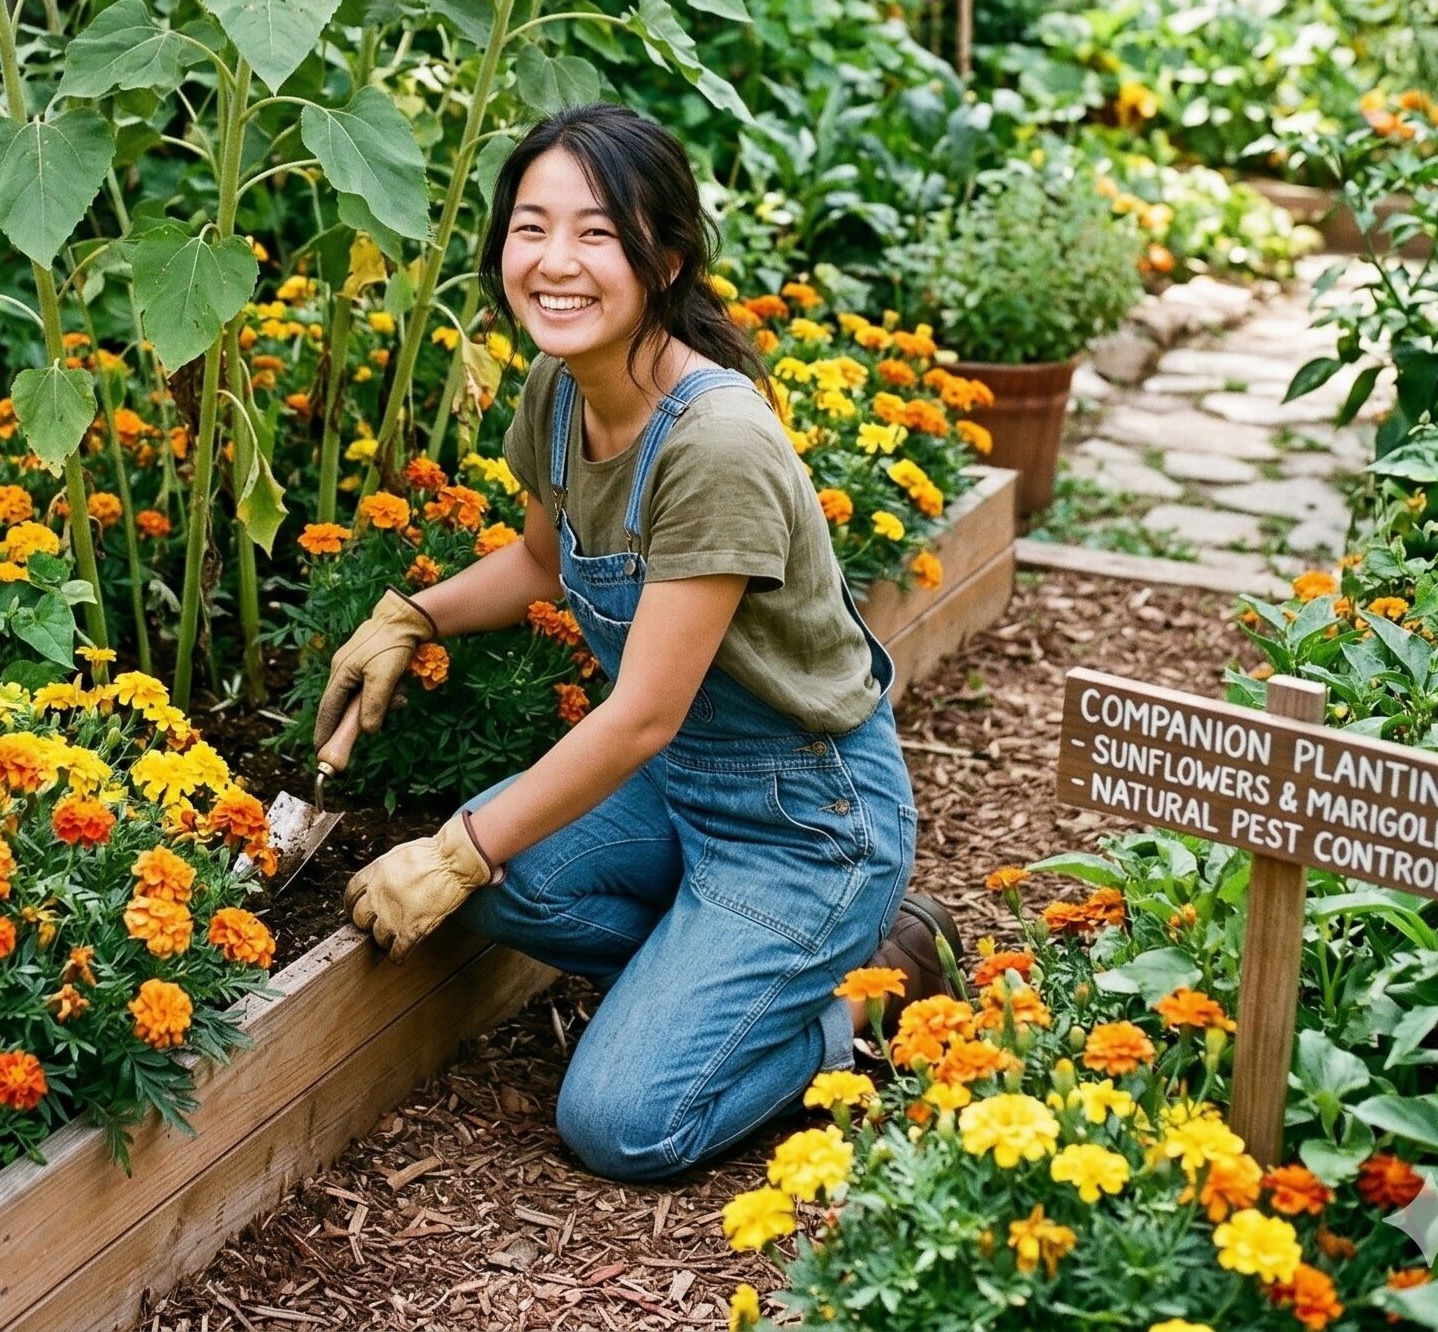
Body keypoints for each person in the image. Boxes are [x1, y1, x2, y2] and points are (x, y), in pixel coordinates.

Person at [318, 103, 959, 1184]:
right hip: (675, 788)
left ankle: (864, 988)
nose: (554, 261)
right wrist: (411, 614)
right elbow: (540, 561)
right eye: (530, 228)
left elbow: (643, 714)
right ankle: (720, 973)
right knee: (502, 885)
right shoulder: (558, 389)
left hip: (804, 820)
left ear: (663, 262)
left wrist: (455, 847)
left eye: (596, 233)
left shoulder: (714, 444)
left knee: (622, 1120)